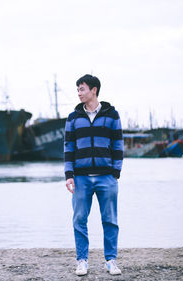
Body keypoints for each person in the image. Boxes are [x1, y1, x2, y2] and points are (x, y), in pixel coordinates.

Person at [64, 74, 124, 276]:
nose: (79, 93)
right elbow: (68, 147)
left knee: (110, 220)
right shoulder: (73, 118)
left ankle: (111, 261)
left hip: (106, 177)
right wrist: (69, 174)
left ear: (94, 90)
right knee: (79, 219)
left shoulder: (112, 115)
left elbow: (118, 144)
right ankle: (82, 261)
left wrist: (115, 171)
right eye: (78, 90)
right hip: (80, 178)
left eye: (82, 89)